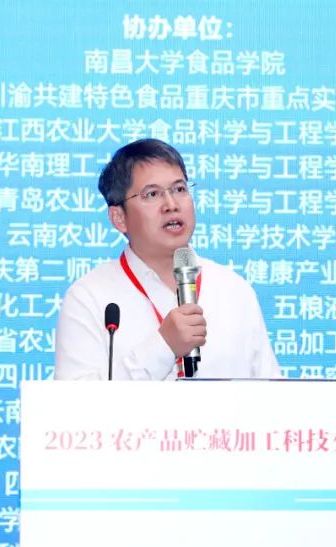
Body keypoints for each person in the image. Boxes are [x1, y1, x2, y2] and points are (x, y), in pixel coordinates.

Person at [54, 139, 280, 381]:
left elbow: (274, 394)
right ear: (119, 217)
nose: (171, 205)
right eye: (152, 194)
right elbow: (74, 401)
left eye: (179, 189)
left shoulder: (233, 291)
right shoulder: (89, 298)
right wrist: (164, 346)